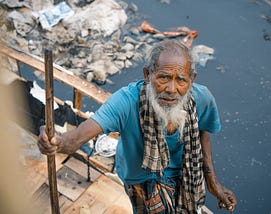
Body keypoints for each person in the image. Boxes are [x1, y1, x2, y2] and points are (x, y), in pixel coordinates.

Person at [37, 40, 237, 213]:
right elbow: (77, 138)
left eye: (181, 80)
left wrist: (212, 181)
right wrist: (56, 142)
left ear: (191, 80)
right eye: (163, 77)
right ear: (148, 74)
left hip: (184, 172)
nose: (171, 89)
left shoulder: (202, 99)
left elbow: (203, 133)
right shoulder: (125, 101)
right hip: (141, 178)